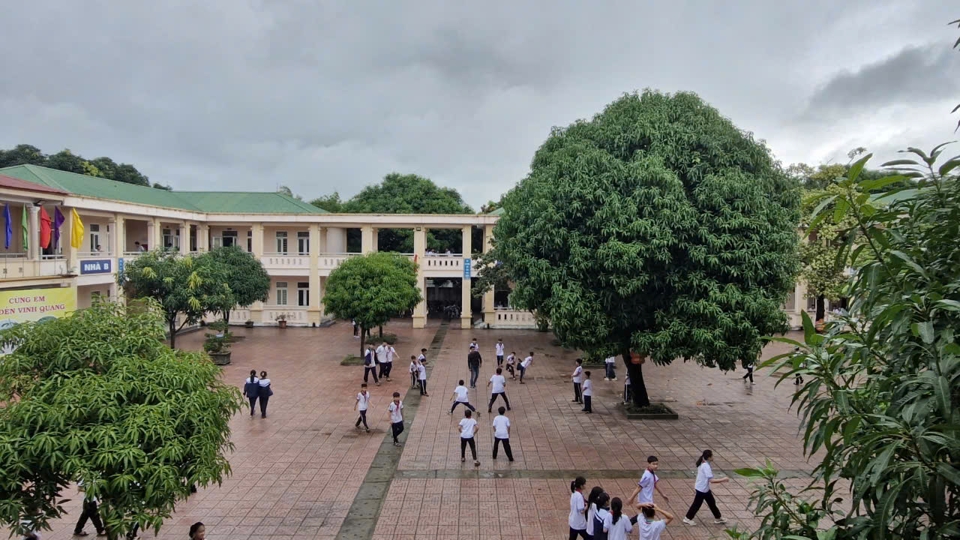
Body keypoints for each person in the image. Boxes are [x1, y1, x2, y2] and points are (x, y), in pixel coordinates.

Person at [683, 449, 728, 525]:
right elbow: (711, 480)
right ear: (709, 457)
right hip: (702, 489)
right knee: (697, 504)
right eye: (712, 455)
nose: (713, 457)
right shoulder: (706, 466)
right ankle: (687, 518)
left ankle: (718, 518)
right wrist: (723, 479)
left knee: (712, 503)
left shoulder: (702, 462)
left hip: (703, 488)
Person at [629, 456, 669, 524]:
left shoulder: (652, 473)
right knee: (647, 514)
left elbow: (655, 484)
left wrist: (663, 494)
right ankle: (647, 527)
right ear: (649, 464)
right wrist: (631, 498)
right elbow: (639, 487)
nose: (656, 466)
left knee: (643, 514)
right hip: (645, 499)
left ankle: (630, 524)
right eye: (653, 464)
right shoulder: (647, 476)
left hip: (648, 498)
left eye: (657, 464)